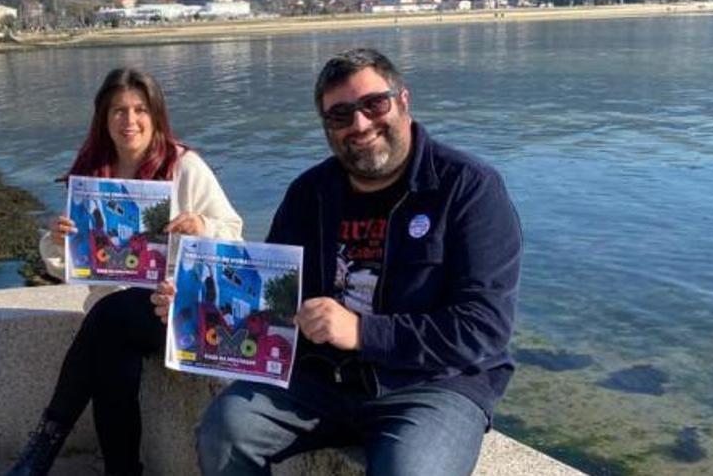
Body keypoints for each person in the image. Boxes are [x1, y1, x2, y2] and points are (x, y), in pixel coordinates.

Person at [179, 48, 522, 476]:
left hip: (432, 385)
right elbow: (267, 296)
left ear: (403, 101)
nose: (359, 124)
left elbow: (483, 327)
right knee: (223, 430)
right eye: (340, 116)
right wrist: (190, 305)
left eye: (373, 104)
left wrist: (362, 331)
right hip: (320, 380)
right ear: (327, 127)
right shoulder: (309, 193)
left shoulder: (468, 188)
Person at [8, 67, 243, 476]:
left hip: (178, 311)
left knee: (109, 318)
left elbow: (236, 240)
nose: (129, 121)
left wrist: (203, 227)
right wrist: (60, 238)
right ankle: (120, 469)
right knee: (112, 352)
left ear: (155, 115)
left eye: (139, 110)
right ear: (103, 116)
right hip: (118, 315)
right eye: (118, 111)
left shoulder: (185, 166)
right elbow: (74, 267)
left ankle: (45, 442)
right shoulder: (92, 172)